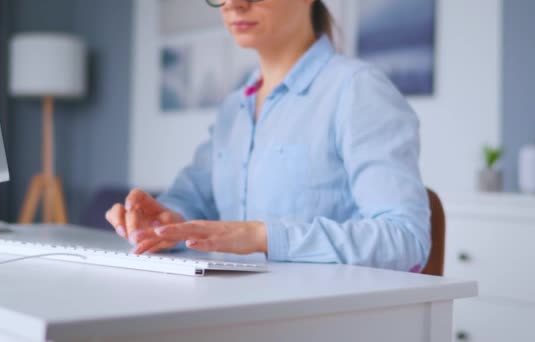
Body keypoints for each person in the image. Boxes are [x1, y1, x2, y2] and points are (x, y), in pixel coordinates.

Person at [106, 0, 430, 272]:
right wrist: (163, 224)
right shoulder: (234, 108)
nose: (234, 4)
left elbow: (406, 240)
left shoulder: (356, 89)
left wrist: (263, 236)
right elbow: (190, 199)